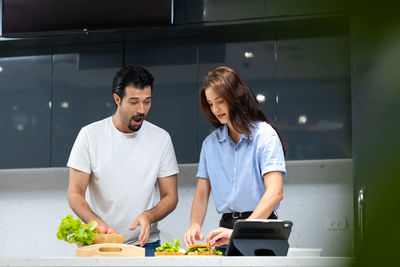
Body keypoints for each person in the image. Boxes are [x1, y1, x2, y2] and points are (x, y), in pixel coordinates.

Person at [67, 66, 179, 256]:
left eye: (147, 102)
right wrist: (97, 224)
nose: (141, 110)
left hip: (146, 245)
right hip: (101, 244)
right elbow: (75, 194)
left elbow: (170, 196)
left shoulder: (161, 138)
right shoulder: (89, 135)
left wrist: (148, 216)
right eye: (134, 102)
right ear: (117, 99)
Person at [183, 66, 286, 253]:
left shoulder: (265, 135)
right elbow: (202, 195)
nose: (215, 109)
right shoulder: (210, 144)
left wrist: (240, 231)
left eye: (220, 101)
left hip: (261, 228)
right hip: (226, 228)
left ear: (236, 98)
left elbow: (275, 192)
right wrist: (195, 225)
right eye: (210, 103)